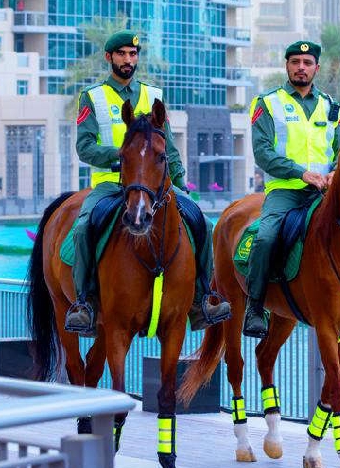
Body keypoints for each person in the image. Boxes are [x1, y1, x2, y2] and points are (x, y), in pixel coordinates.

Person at [65, 30, 230, 333]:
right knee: (84, 227)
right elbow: (84, 146)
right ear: (109, 58)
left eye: (133, 54)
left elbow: (167, 145)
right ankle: (85, 302)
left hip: (155, 186)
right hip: (110, 183)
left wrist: (180, 182)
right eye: (122, 54)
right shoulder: (92, 97)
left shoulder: (154, 96)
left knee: (203, 223)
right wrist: (123, 156)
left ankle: (203, 296)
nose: (128, 60)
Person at [244, 40, 340, 339]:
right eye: (295, 62)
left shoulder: (330, 106)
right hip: (286, 191)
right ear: (287, 66)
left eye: (307, 63)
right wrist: (302, 173)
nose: (301, 67)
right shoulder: (267, 104)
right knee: (267, 236)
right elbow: (262, 154)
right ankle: (255, 306)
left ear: (316, 68)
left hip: (326, 193)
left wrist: (336, 171)